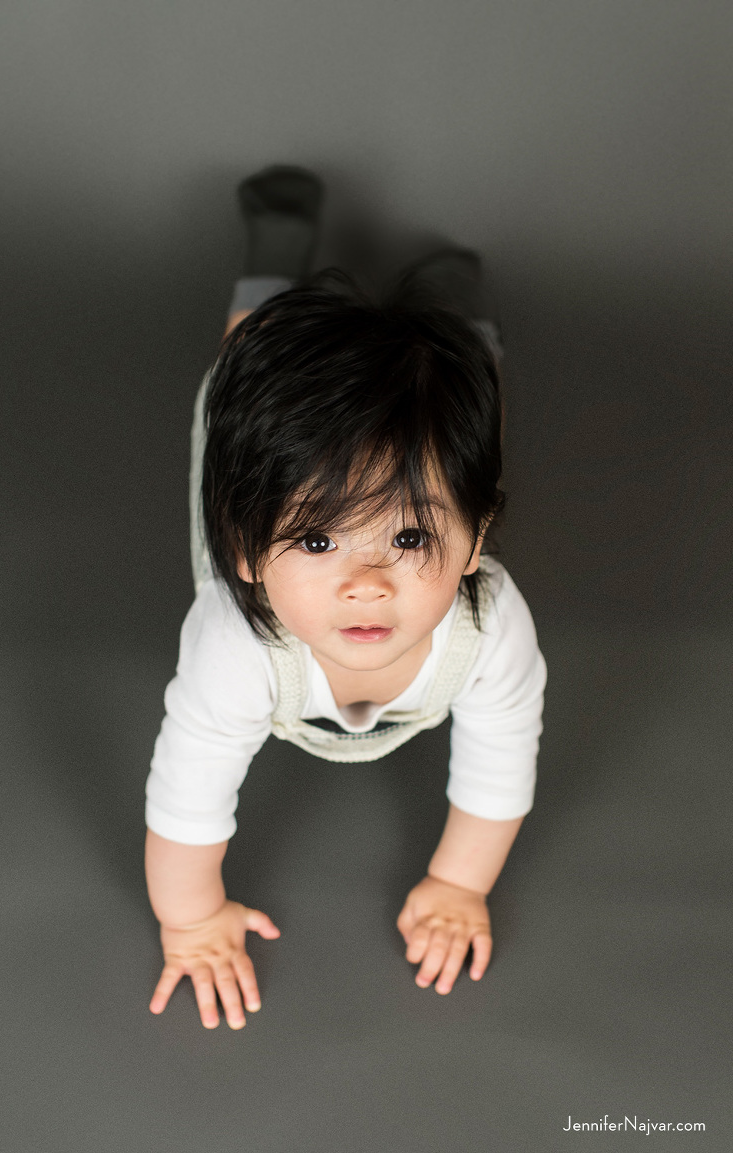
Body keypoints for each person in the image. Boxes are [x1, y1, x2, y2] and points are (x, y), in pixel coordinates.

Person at [144, 165, 547, 1031]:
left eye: (409, 540)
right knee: (241, 365)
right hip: (263, 444)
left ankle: (459, 317)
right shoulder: (236, 642)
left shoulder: (491, 622)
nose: (366, 582)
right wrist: (190, 919)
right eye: (319, 541)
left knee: (464, 431)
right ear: (252, 548)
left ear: (474, 546)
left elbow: (501, 758)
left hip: (443, 457)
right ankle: (271, 264)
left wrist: (456, 883)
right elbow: (188, 794)